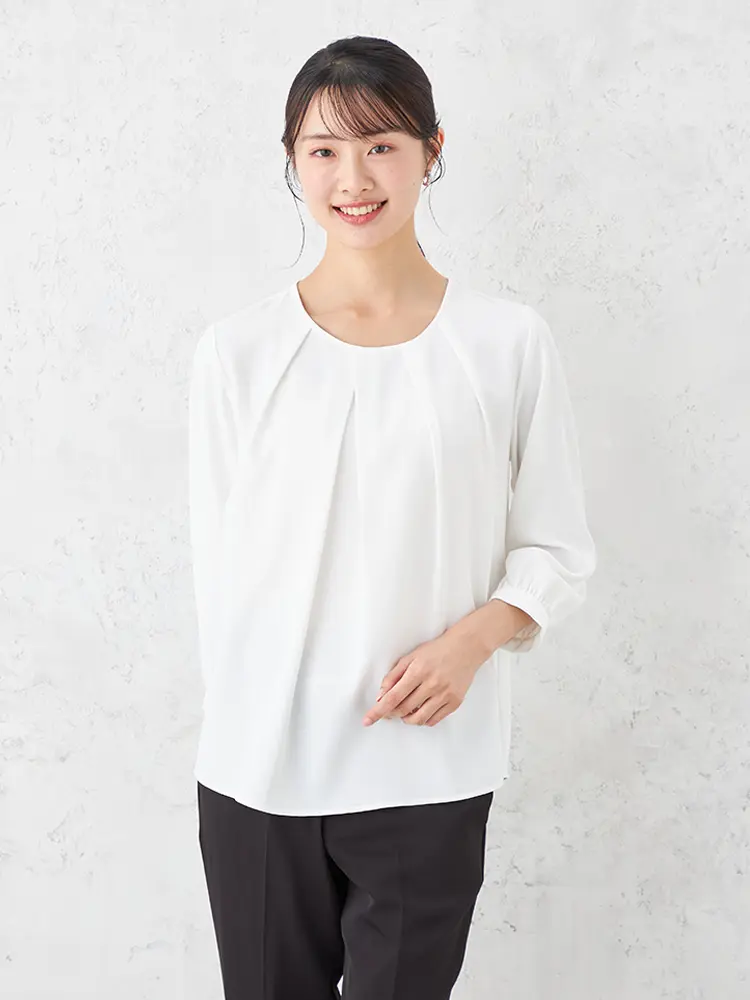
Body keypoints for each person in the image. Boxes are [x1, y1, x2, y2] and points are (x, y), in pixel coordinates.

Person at [188, 34, 597, 1000]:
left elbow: (557, 547)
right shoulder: (238, 352)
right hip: (259, 773)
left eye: (381, 145)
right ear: (292, 162)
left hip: (427, 768)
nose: (354, 178)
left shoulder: (505, 342)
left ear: (431, 149)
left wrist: (471, 642)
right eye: (324, 150)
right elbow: (222, 570)